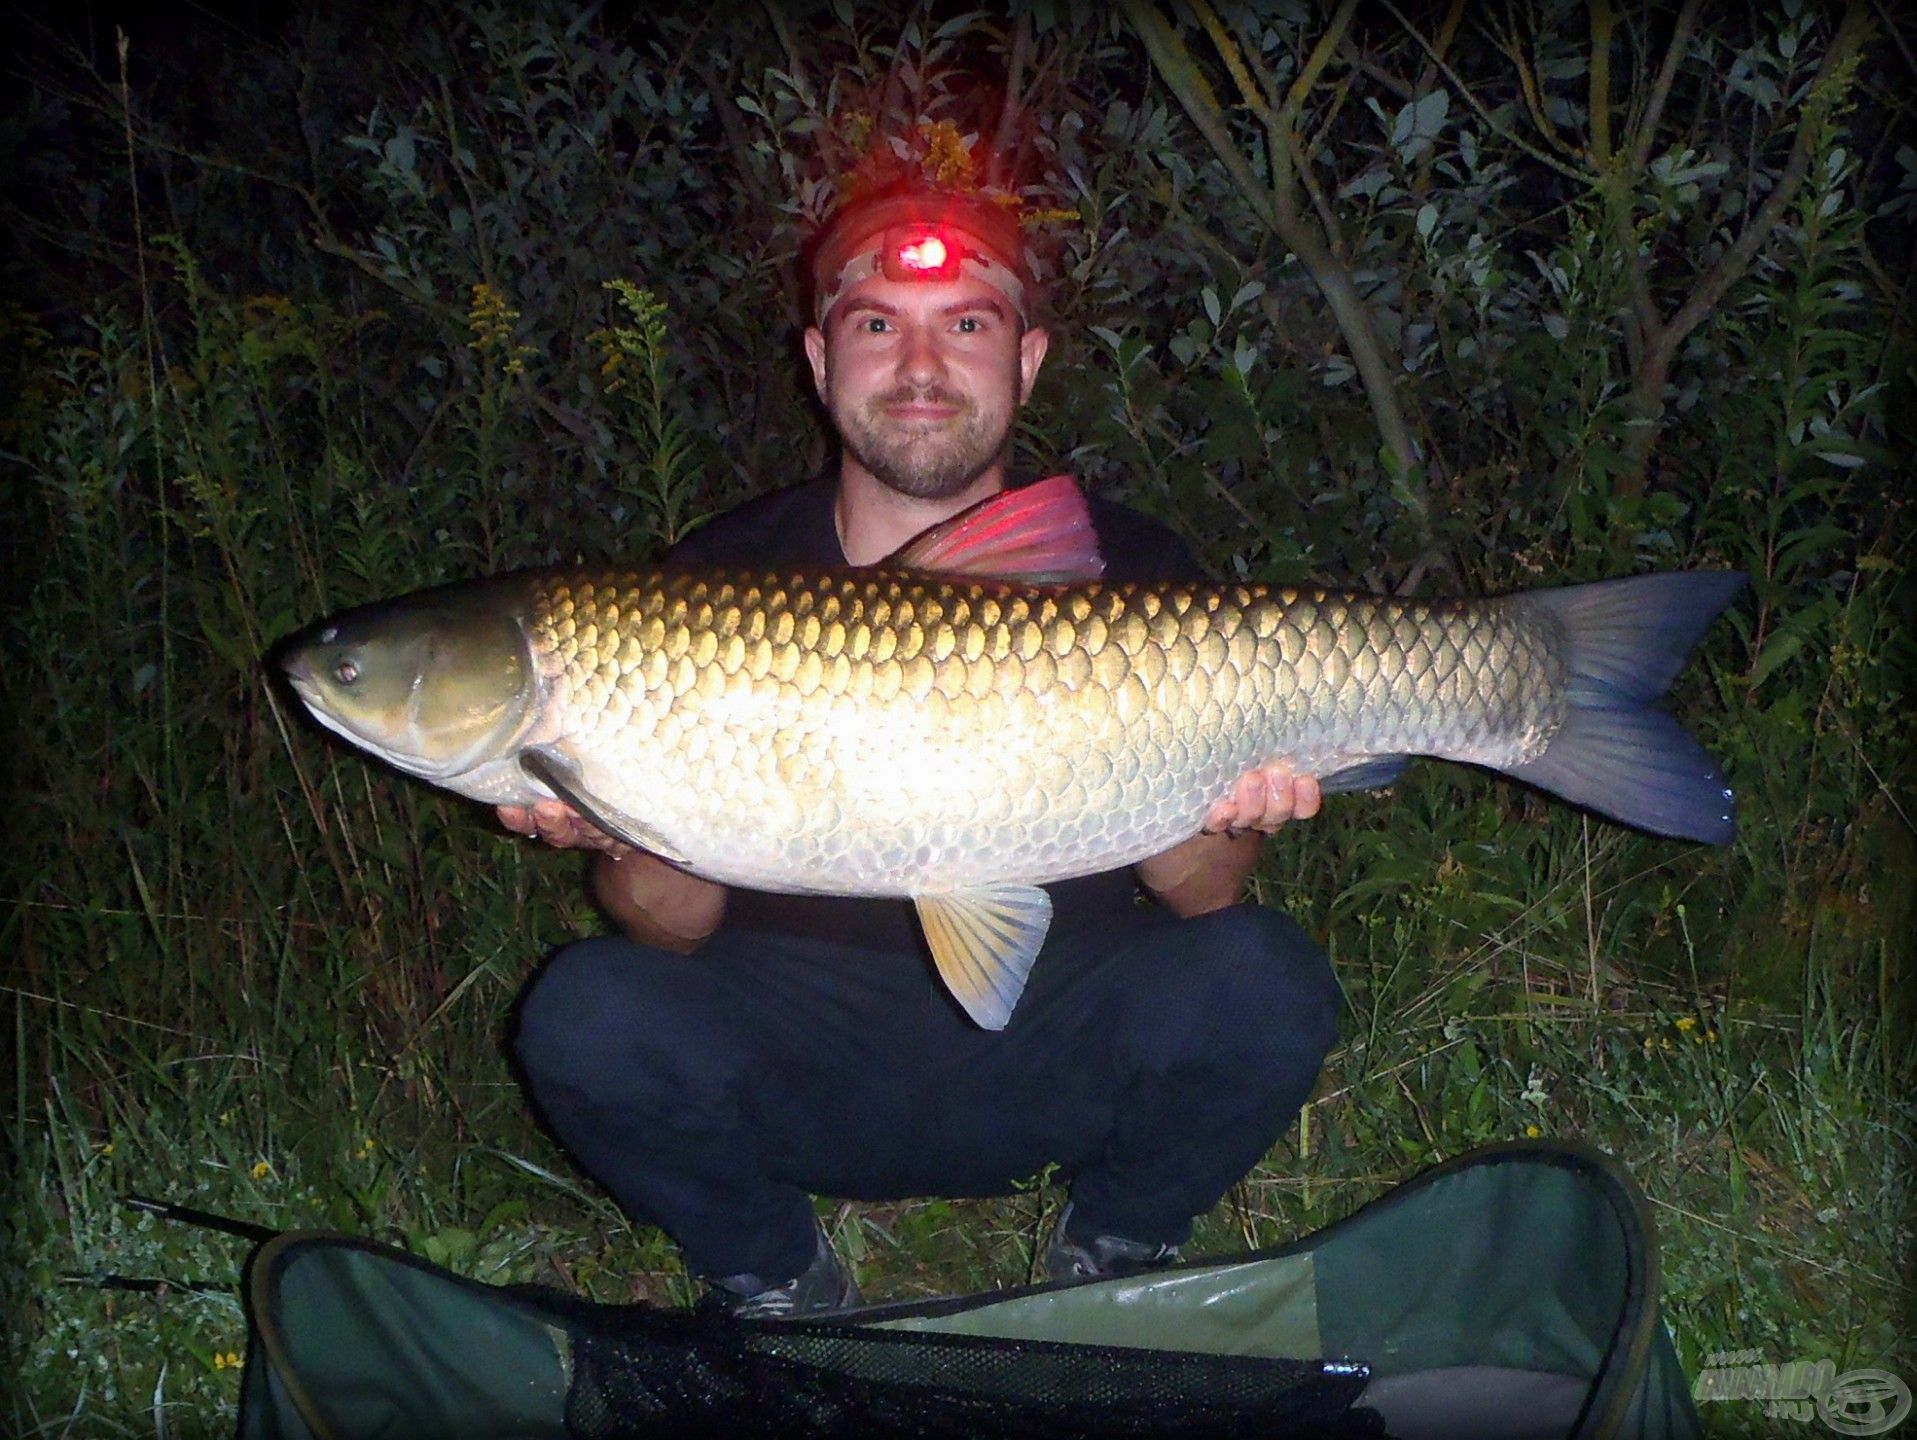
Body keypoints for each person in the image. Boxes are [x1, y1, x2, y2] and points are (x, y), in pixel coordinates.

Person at [505, 179, 1340, 1319]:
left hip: (1060, 1043)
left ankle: (1117, 1242)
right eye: (877, 324)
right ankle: (775, 1269)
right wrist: (622, 812)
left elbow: (1203, 897)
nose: (920, 365)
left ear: (1027, 362)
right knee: (586, 1013)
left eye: (967, 324)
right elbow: (668, 923)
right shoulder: (714, 577)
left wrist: (1223, 804)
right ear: (818, 359)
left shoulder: (1129, 568)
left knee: (1264, 978)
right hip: (799, 1057)